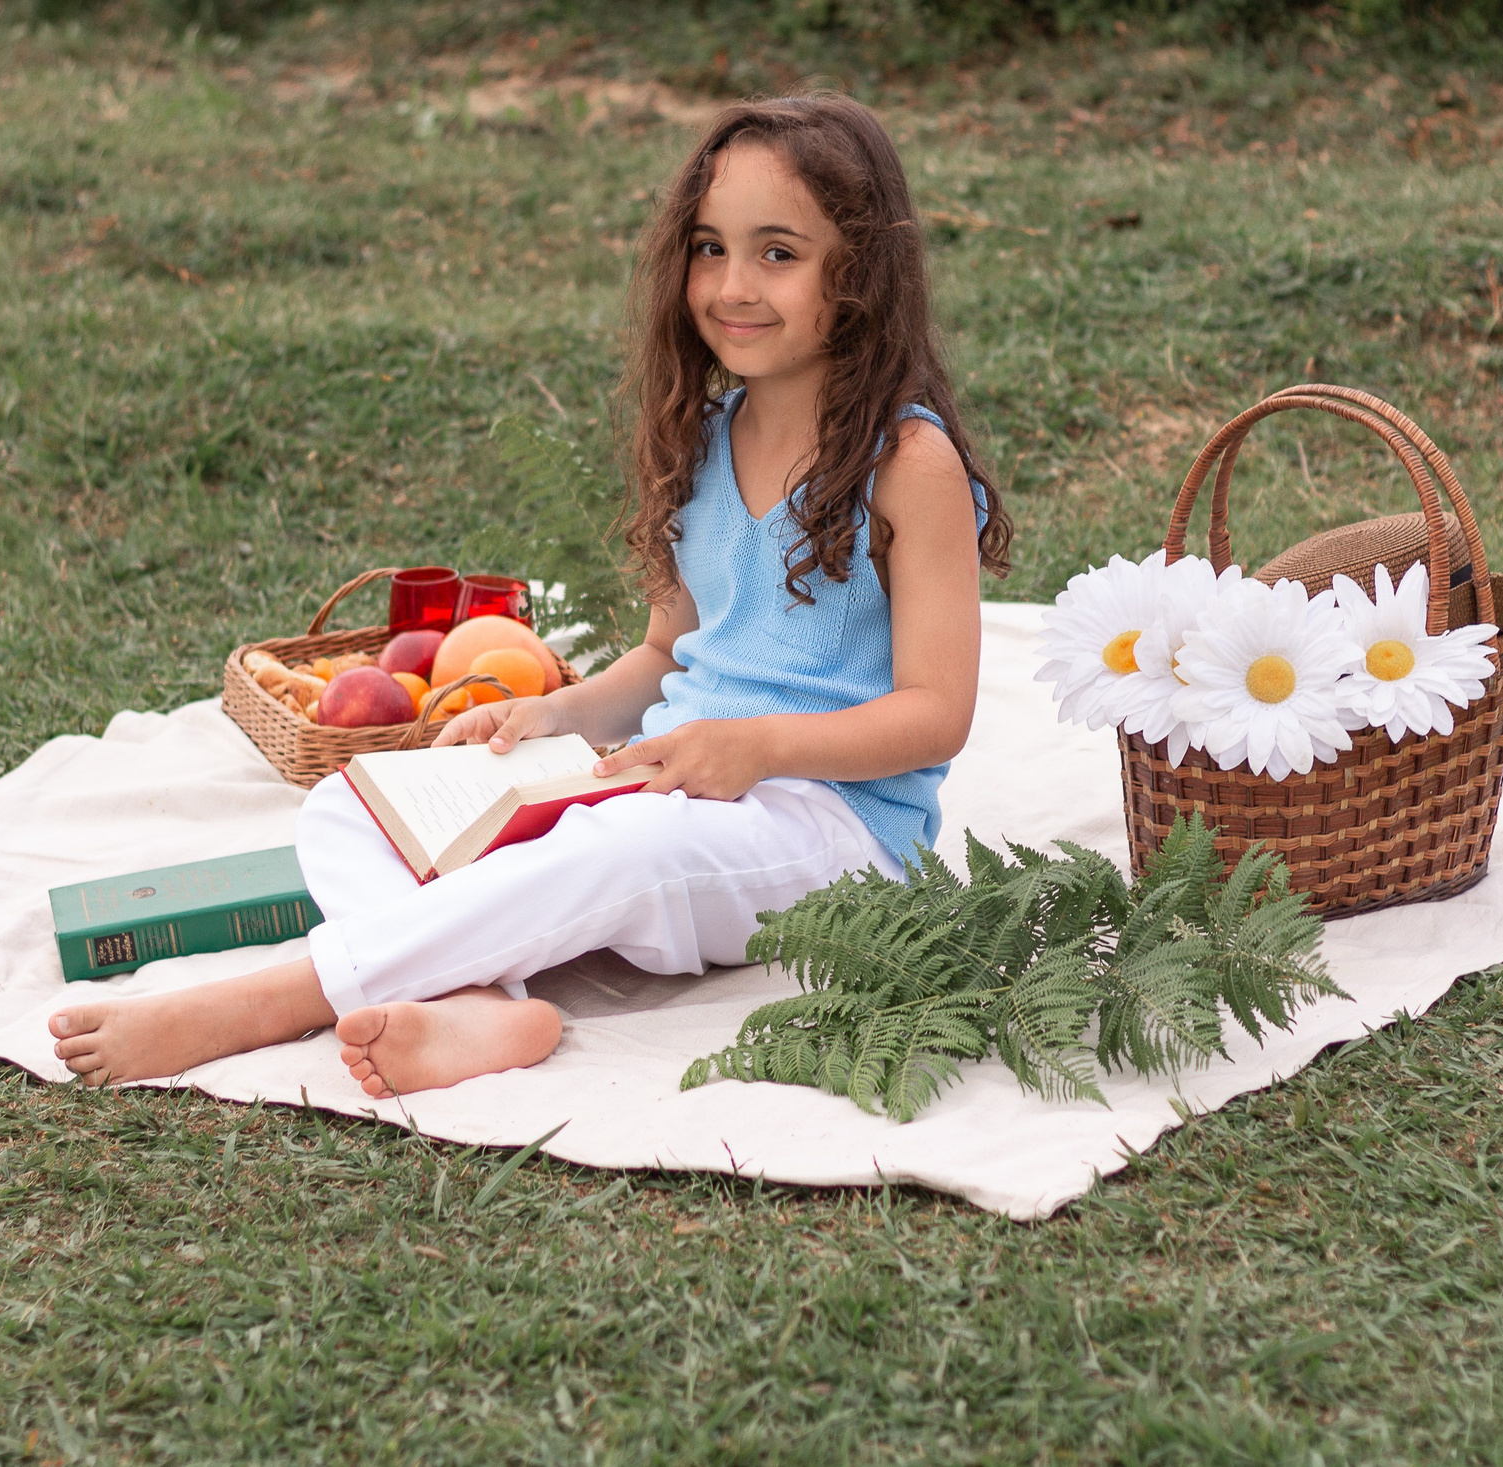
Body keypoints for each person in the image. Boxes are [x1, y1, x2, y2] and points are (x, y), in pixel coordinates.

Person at [49, 93, 1012, 1096]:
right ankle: (477, 1010)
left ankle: (264, 1002)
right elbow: (663, 658)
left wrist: (756, 746)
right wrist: (550, 712)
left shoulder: (905, 461)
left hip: (829, 831)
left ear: (857, 270)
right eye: (708, 248)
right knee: (353, 807)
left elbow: (935, 717)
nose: (732, 286)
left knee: (624, 848)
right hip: (660, 782)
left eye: (778, 254)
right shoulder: (705, 435)